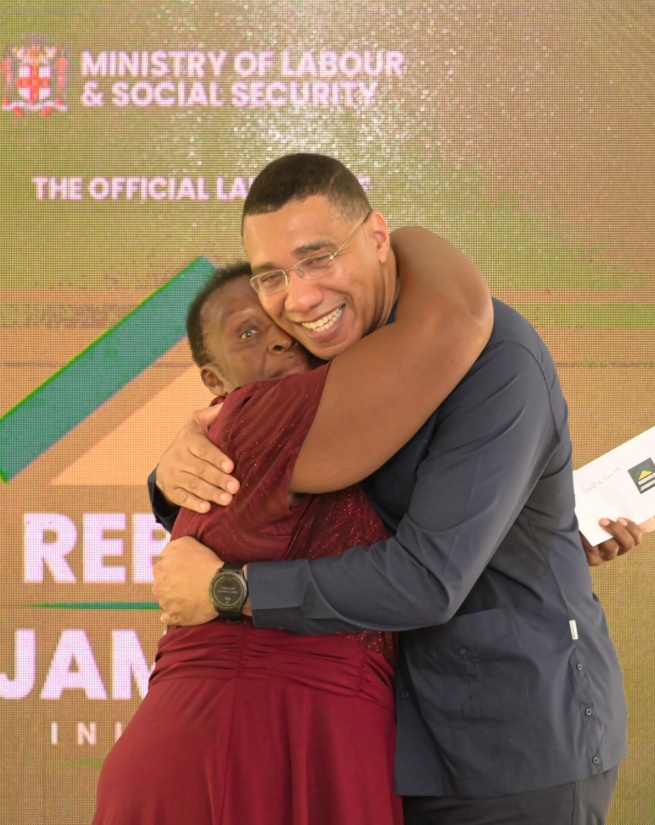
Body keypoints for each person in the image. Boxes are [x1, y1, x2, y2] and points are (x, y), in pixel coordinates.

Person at [150, 153, 650, 825]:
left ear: (379, 240)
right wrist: (169, 475)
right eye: (273, 276)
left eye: (319, 257)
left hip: (514, 752)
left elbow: (427, 579)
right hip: (387, 746)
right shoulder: (329, 362)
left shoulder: (497, 359)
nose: (299, 298)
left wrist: (228, 589)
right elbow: (275, 486)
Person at [93, 226, 496, 824]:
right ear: (213, 380)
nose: (281, 342)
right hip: (234, 742)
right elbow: (458, 311)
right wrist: (395, 238)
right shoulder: (262, 416)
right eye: (249, 333)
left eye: (291, 325)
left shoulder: (355, 426)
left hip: (316, 739)